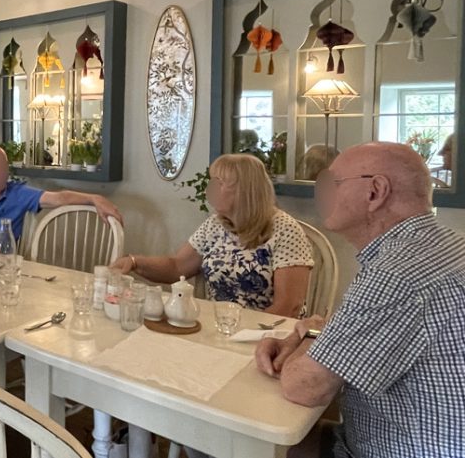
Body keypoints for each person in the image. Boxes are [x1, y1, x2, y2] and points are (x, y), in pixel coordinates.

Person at [255, 142, 465, 458]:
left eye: (333, 183)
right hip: (422, 438)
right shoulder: (445, 244)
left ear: (375, 192)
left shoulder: (397, 273)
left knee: (254, 439)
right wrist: (317, 333)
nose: (323, 193)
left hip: (398, 448)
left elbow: (304, 387)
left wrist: (311, 334)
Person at [111, 154, 313, 317]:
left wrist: (244, 335)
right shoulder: (216, 225)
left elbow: (289, 307)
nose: (210, 189)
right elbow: (177, 266)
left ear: (244, 191)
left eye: (218, 183)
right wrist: (135, 262)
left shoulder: (285, 230)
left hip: (264, 338)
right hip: (217, 326)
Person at [0, 144, 123, 255]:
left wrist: (94, 198)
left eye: (4, 167)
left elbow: (59, 197)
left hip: (1, 264)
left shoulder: (17, 194)